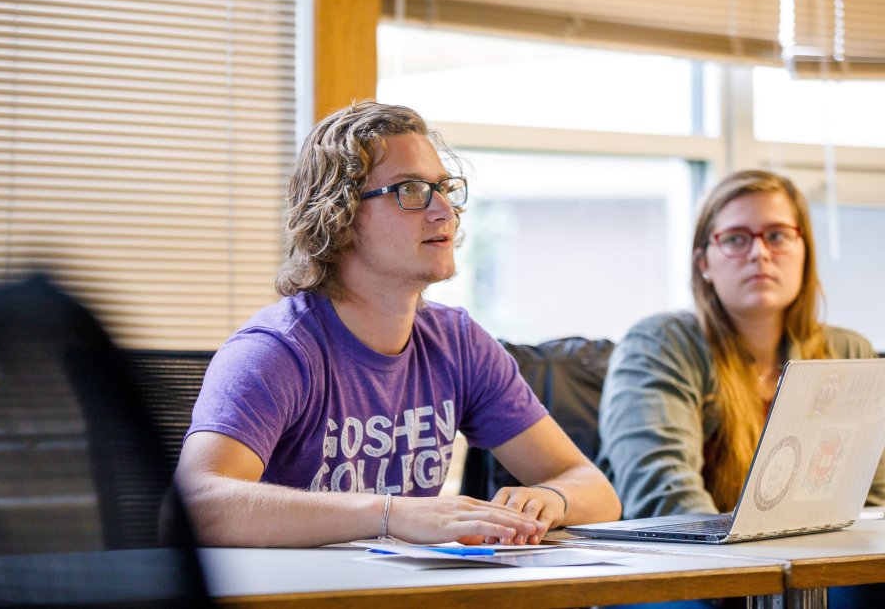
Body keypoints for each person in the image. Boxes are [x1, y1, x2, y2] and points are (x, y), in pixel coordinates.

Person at [172, 100, 620, 547]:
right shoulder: (276, 352)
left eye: (444, 187)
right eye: (410, 190)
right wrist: (391, 514)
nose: (444, 210)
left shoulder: (459, 343)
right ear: (339, 214)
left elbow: (595, 490)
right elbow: (193, 508)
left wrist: (550, 499)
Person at [597, 169, 885, 608]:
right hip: (676, 568)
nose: (759, 254)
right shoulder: (660, 344)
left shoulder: (849, 350)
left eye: (777, 235)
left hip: (813, 568)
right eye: (735, 239)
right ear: (704, 264)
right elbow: (665, 497)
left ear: (804, 251)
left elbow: (870, 499)